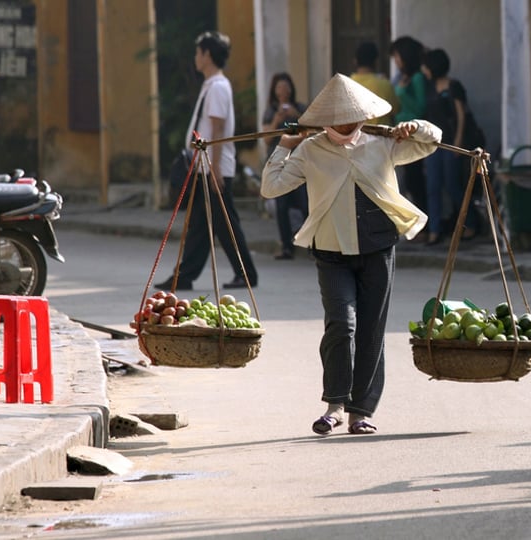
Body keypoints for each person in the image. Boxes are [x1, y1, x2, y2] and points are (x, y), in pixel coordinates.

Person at [261, 74, 441, 436]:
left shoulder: (383, 143)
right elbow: (271, 186)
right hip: (331, 251)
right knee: (341, 324)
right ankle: (334, 405)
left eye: (354, 116)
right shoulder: (311, 149)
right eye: (340, 118)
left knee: (372, 329)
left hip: (378, 246)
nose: (348, 123)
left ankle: (362, 412)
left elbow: (432, 141)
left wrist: (414, 126)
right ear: (326, 120)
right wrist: (284, 145)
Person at [156, 31, 258, 291]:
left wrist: (214, 169)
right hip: (206, 167)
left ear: (207, 55)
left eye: (198, 53)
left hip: (213, 167)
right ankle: (184, 276)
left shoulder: (218, 87)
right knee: (201, 226)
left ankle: (245, 275)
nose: (196, 58)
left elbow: (217, 129)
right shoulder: (212, 85)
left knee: (225, 224)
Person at [420, 48, 481, 245]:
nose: (424, 69)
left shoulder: (454, 86)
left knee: (454, 186)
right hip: (434, 145)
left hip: (451, 144)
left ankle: (471, 223)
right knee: (433, 187)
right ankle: (435, 231)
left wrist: (458, 141)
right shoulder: (429, 87)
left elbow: (461, 115)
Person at [261, 72, 308, 260]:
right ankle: (287, 246)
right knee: (282, 206)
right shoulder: (271, 111)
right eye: (279, 87)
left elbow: (311, 129)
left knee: (305, 204)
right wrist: (277, 119)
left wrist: (296, 116)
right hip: (280, 163)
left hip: (300, 162)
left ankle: (311, 244)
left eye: (286, 87)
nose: (283, 91)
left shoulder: (300, 108)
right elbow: (266, 139)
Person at [390, 36, 429, 217]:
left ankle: (426, 226)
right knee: (407, 182)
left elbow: (420, 108)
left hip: (414, 134)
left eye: (397, 56)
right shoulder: (401, 77)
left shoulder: (418, 78)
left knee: (415, 180)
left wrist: (404, 93)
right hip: (401, 134)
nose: (396, 61)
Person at [351, 41, 399, 125]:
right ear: (376, 61)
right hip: (381, 136)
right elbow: (396, 109)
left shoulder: (347, 84)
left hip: (355, 136)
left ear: (355, 61)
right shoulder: (384, 84)